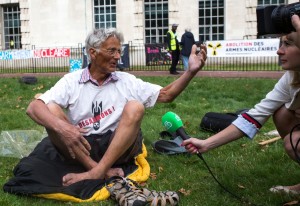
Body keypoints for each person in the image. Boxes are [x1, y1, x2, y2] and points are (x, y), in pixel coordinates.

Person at [25, 28, 207, 186]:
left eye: (119, 51)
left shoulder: (125, 81)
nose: (118, 57)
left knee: (135, 107)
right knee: (49, 107)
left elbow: (167, 95)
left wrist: (191, 71)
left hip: (117, 149)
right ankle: (97, 170)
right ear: (93, 52)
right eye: (112, 50)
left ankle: (96, 172)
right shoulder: (72, 80)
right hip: (82, 147)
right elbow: (33, 107)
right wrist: (64, 129)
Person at [182, 26, 300, 194]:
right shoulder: (291, 77)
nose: (279, 51)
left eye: (288, 44)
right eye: (281, 43)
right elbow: (254, 117)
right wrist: (206, 144)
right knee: (283, 117)